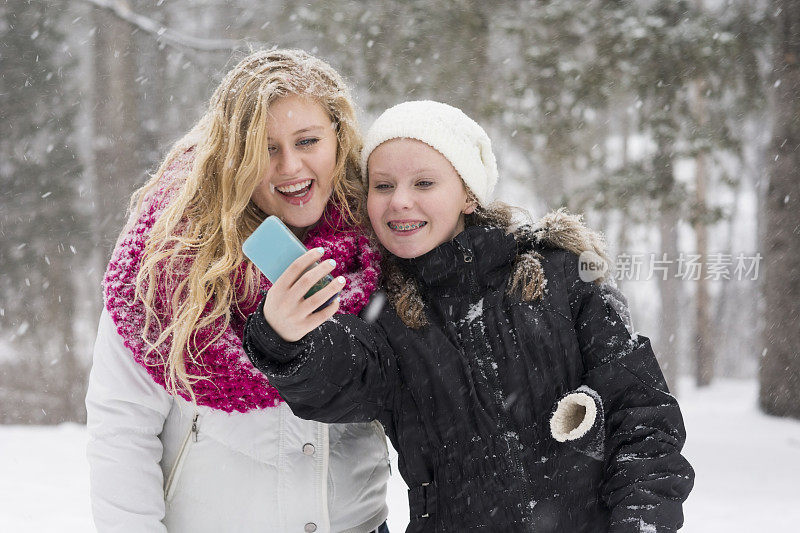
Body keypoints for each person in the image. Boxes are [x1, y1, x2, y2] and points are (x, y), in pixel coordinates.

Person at [243, 101, 695, 532]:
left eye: (424, 183)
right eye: (383, 186)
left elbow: (642, 417)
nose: (399, 201)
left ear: (468, 195)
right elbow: (337, 378)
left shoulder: (560, 275)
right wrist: (283, 335)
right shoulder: (385, 319)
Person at [85, 49, 391, 533]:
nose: (291, 166)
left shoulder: (380, 238)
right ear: (232, 155)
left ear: (339, 137)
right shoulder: (165, 258)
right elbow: (121, 429)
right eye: (265, 148)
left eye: (308, 140)